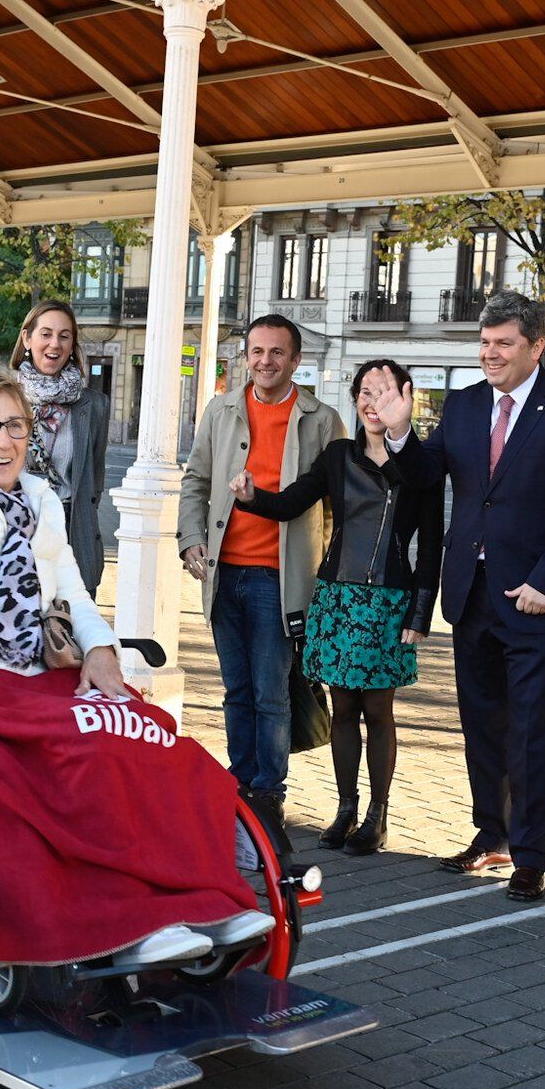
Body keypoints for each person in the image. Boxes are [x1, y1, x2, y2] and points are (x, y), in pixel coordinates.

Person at [0, 368, 273, 967]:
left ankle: (200, 896)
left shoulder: (40, 498)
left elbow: (72, 591)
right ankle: (128, 923)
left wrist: (99, 649)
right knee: (81, 755)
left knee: (154, 741)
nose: (4, 440)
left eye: (15, 424)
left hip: (47, 677)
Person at [373, 291, 545, 901]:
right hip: (471, 593)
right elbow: (426, 478)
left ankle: (532, 853)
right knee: (483, 725)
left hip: (536, 599)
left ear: (537, 346)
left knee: (533, 731)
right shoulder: (464, 404)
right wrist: (400, 432)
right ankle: (492, 834)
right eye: (484, 343)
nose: (490, 354)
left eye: (504, 344)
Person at [227, 358, 442, 856]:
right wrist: (251, 496)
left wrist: (420, 614)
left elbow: (431, 546)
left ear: (405, 398)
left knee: (378, 711)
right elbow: (290, 504)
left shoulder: (422, 465)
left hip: (389, 601)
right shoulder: (338, 456)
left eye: (385, 392)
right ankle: (346, 808)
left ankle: (377, 816)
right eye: (365, 392)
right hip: (338, 599)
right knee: (342, 709)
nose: (373, 402)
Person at [178, 315, 346, 829]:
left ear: (296, 360)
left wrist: (322, 571)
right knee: (237, 689)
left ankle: (268, 790)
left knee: (272, 689)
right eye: (257, 351)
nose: (266, 361)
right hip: (224, 573)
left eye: (277, 352)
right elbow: (196, 481)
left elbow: (336, 506)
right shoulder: (221, 410)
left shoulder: (322, 419)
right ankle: (241, 780)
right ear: (245, 356)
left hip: (281, 577)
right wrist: (190, 541)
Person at [11, 300, 110, 595]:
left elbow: (94, 479)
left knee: (75, 624)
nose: (55, 343)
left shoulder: (94, 406)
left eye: (64, 336)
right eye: (46, 334)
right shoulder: (4, 396)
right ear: (27, 338)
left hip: (72, 529)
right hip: (17, 525)